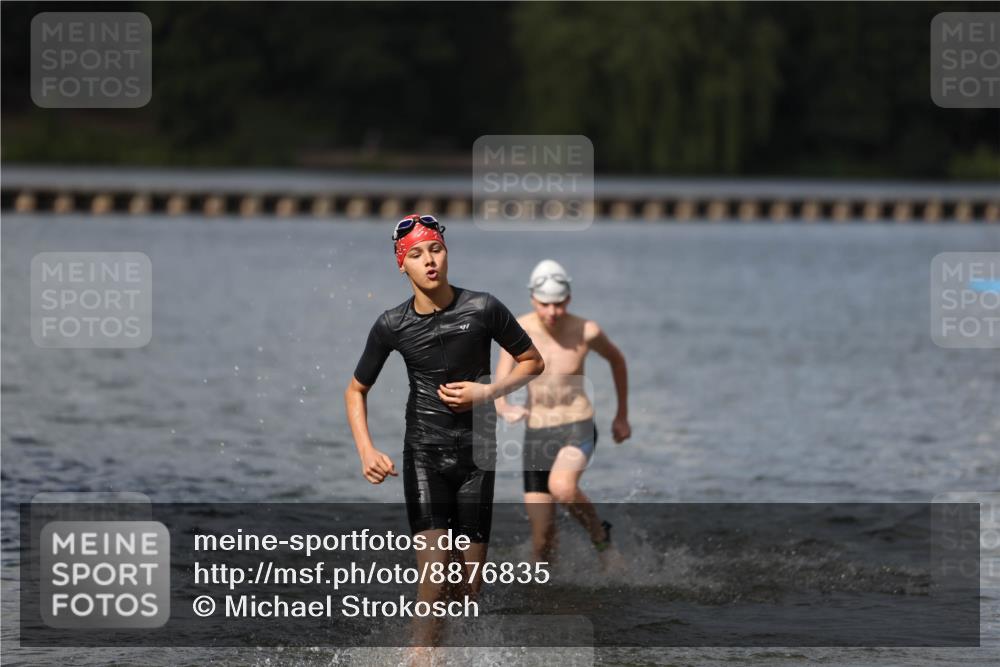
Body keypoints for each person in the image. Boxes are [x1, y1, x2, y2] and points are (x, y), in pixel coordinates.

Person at [344, 215, 545, 651]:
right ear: (402, 265)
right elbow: (356, 390)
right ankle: (421, 658)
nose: (428, 260)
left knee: (467, 590)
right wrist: (365, 450)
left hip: (478, 457)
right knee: (434, 573)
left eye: (435, 249)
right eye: (416, 254)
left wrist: (488, 390)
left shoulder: (484, 308)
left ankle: (443, 649)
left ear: (446, 253)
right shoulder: (391, 325)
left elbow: (533, 361)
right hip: (425, 454)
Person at [494, 259, 631, 564]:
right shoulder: (517, 330)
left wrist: (621, 415)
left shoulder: (587, 330)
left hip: (576, 426)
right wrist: (504, 407)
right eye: (545, 304)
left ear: (568, 298)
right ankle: (548, 598)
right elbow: (501, 380)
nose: (553, 312)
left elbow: (617, 361)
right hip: (537, 434)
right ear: (532, 298)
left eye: (559, 303)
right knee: (542, 542)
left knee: (563, 488)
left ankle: (600, 537)